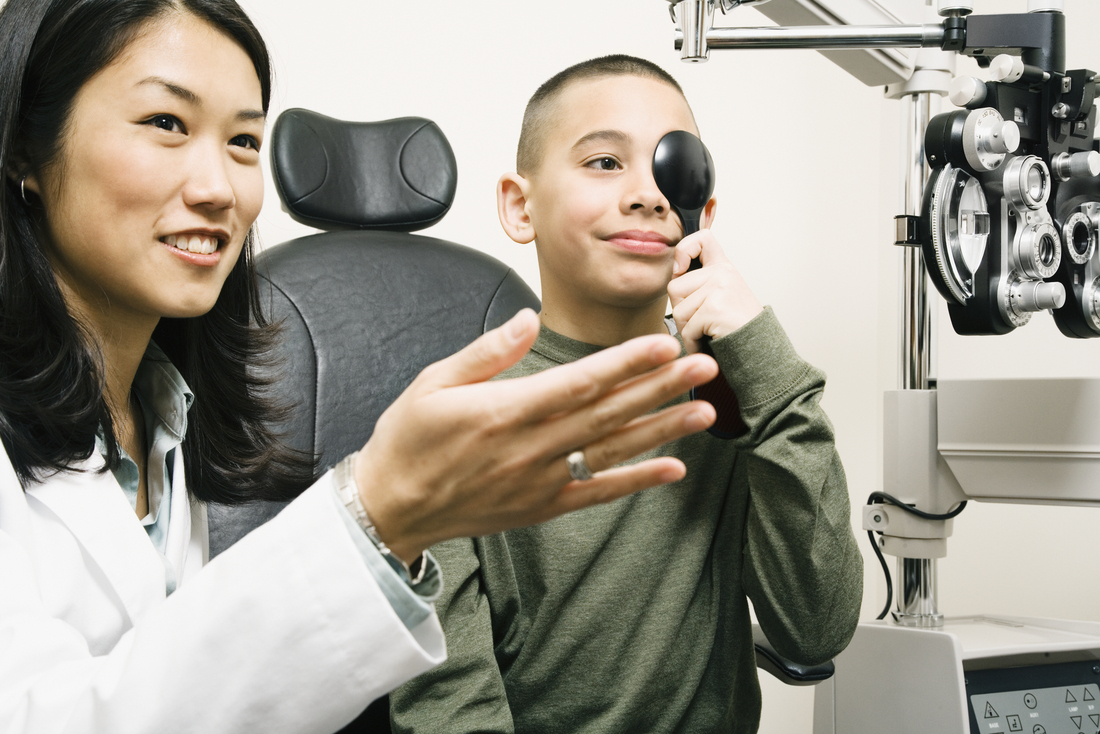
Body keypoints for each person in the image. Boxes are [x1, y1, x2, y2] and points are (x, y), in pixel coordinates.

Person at [0, 4, 723, 732]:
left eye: (245, 140)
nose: (220, 187)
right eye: (166, 123)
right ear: (24, 149)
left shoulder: (162, 416)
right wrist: (374, 509)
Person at [389, 55, 864, 734]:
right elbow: (450, 708)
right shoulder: (461, 422)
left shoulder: (737, 396)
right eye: (605, 163)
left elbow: (816, 630)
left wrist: (766, 361)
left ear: (703, 211)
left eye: (673, 168)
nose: (648, 193)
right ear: (520, 206)